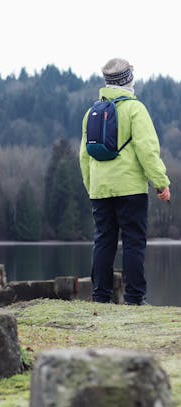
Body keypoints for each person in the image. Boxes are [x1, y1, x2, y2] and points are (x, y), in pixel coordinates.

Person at [79, 58, 171, 305]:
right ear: (128, 79)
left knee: (103, 241)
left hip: (100, 190)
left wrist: (92, 187)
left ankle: (100, 297)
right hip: (130, 189)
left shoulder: (92, 113)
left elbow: (84, 156)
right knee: (133, 241)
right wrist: (160, 183)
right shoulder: (135, 109)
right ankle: (134, 298)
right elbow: (147, 150)